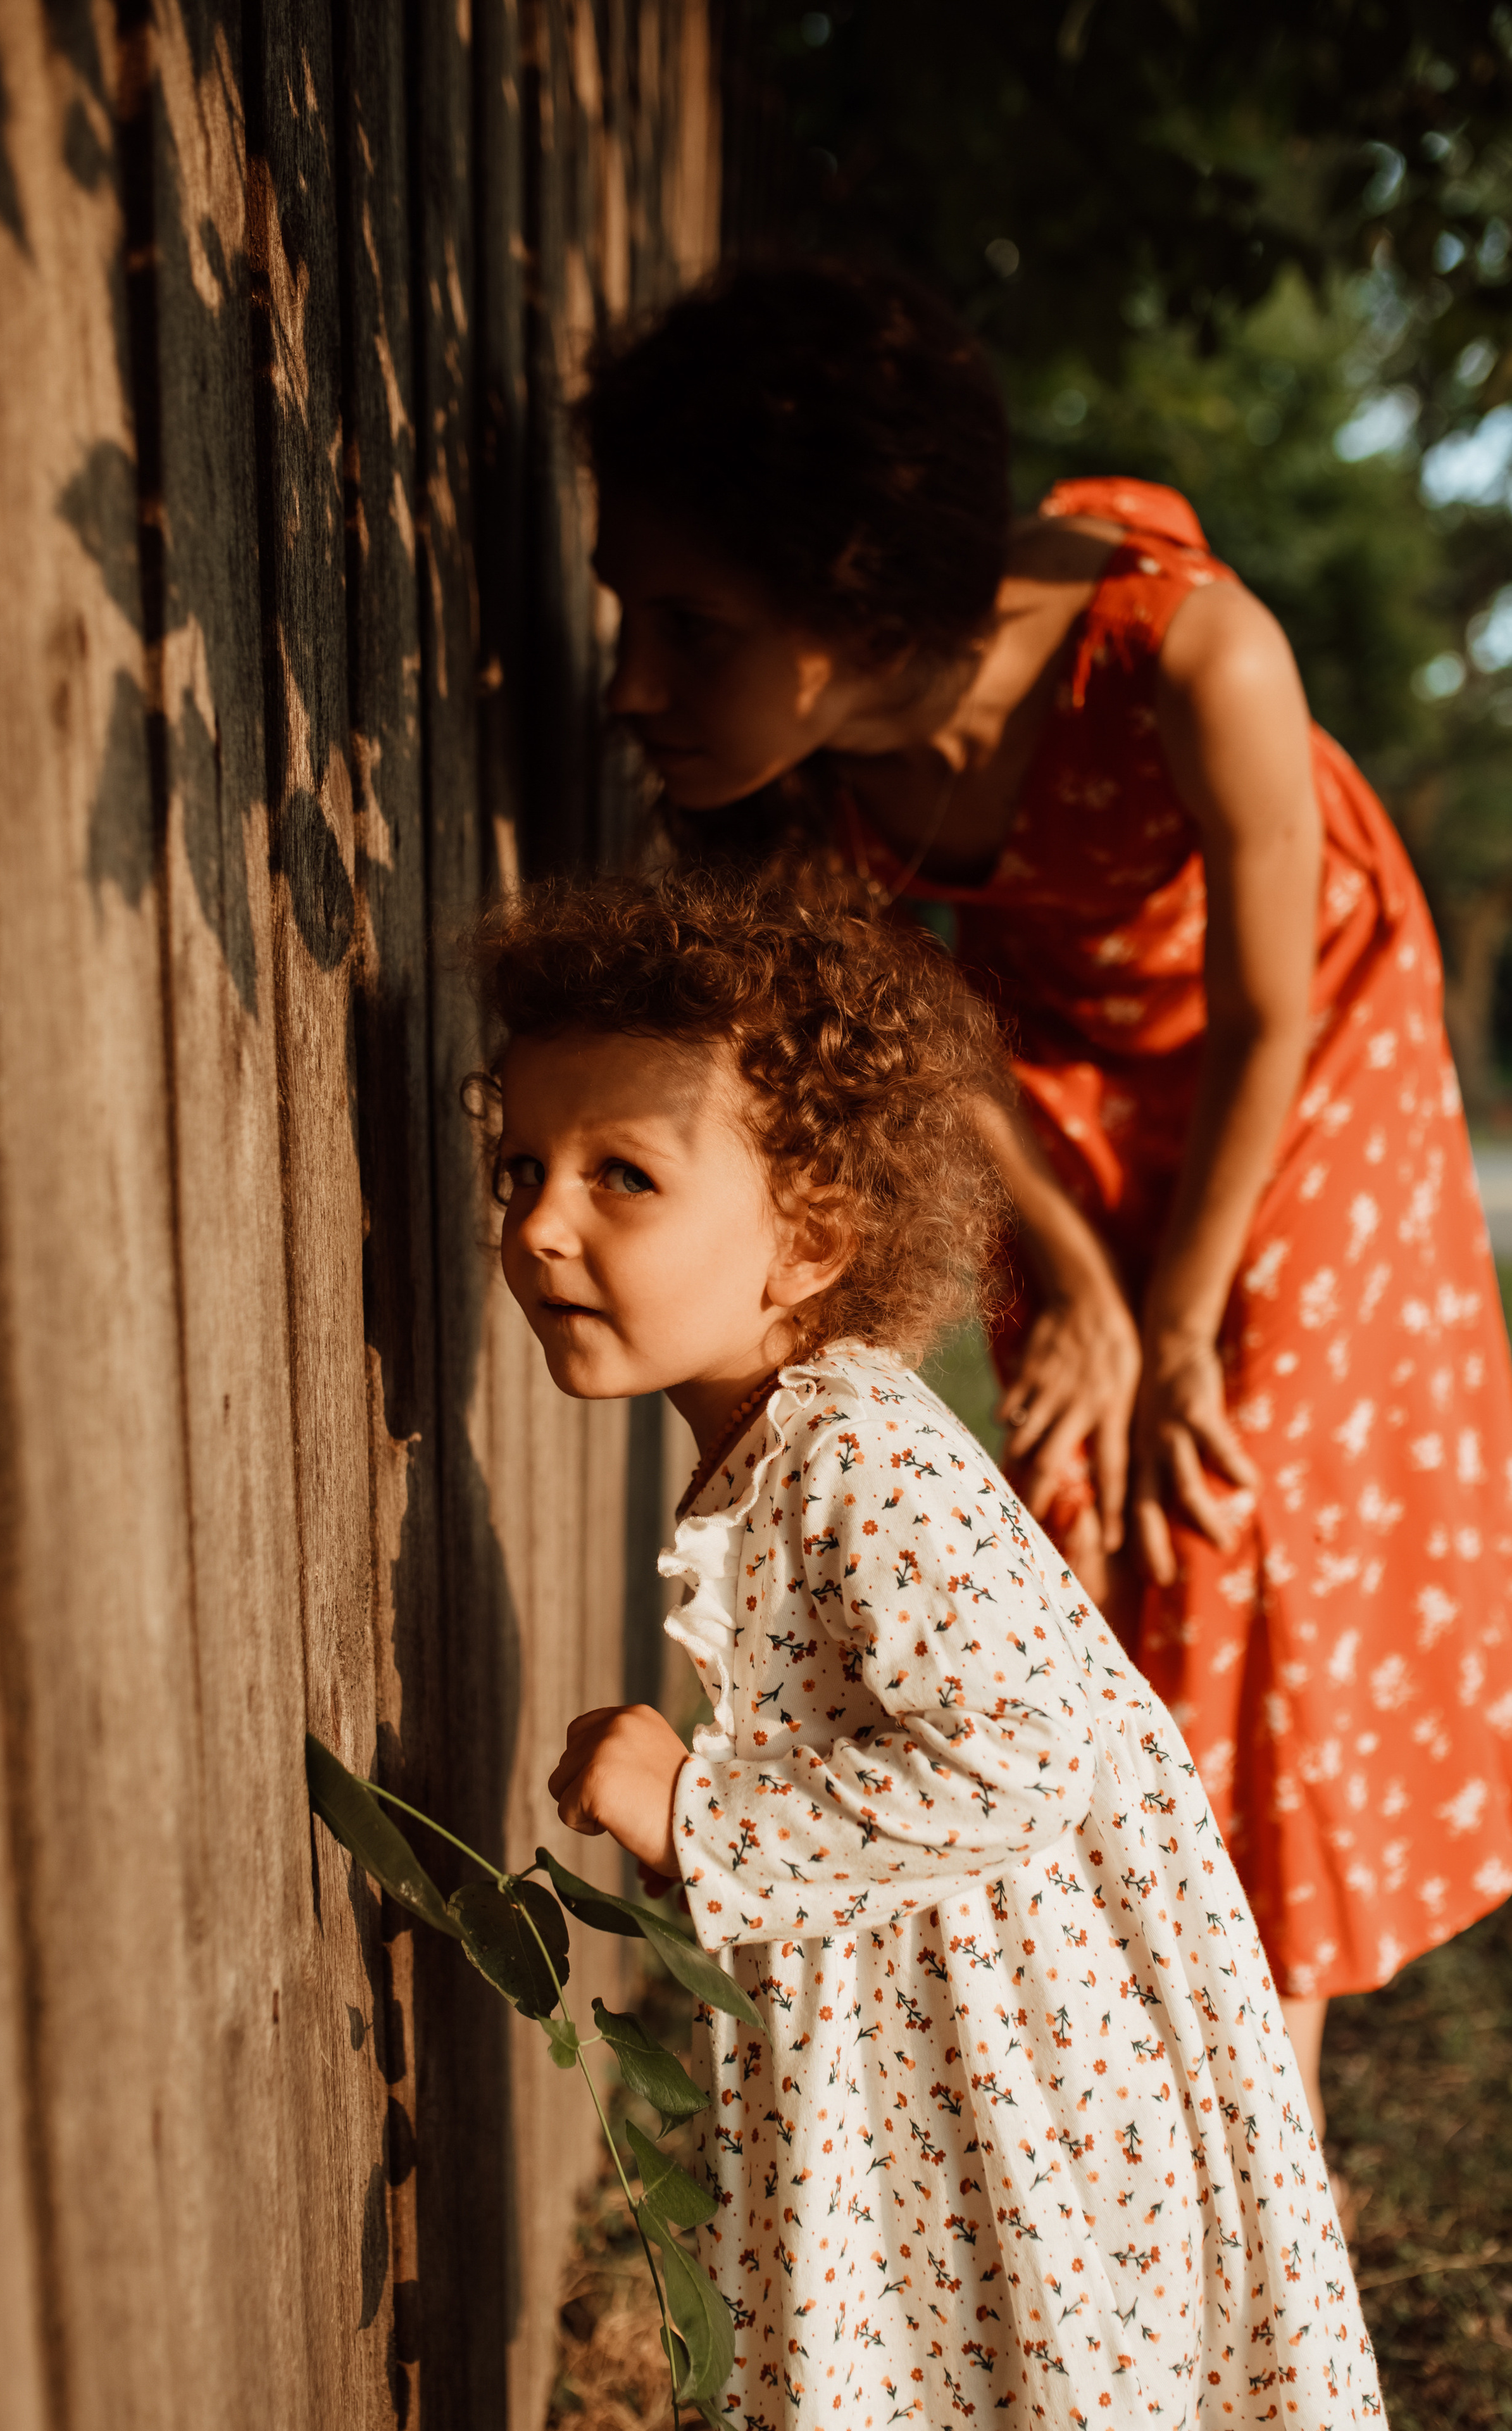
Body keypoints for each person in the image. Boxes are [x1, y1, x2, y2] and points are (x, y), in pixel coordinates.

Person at [573, 259, 1512, 2141]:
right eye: (627, 614)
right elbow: (926, 1029)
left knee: (1221, 1477)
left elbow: (1272, 1010)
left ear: (856, 597)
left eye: (690, 627)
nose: (633, 684)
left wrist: (1181, 1324)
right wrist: (1078, 1280)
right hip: (1058, 1064)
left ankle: (1266, 2101)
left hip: (1299, 1051)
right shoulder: (804, 779)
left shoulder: (1191, 652)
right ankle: (1119, 2025)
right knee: (1081, 1501)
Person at [475, 869, 1384, 2427]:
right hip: (939, 2054)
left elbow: (1018, 1755)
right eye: (519, 1168)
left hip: (1018, 2087)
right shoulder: (794, 1437)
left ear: (810, 1238)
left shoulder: (855, 1456)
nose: (540, 1225)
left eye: (621, 1176)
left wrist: (702, 1812)